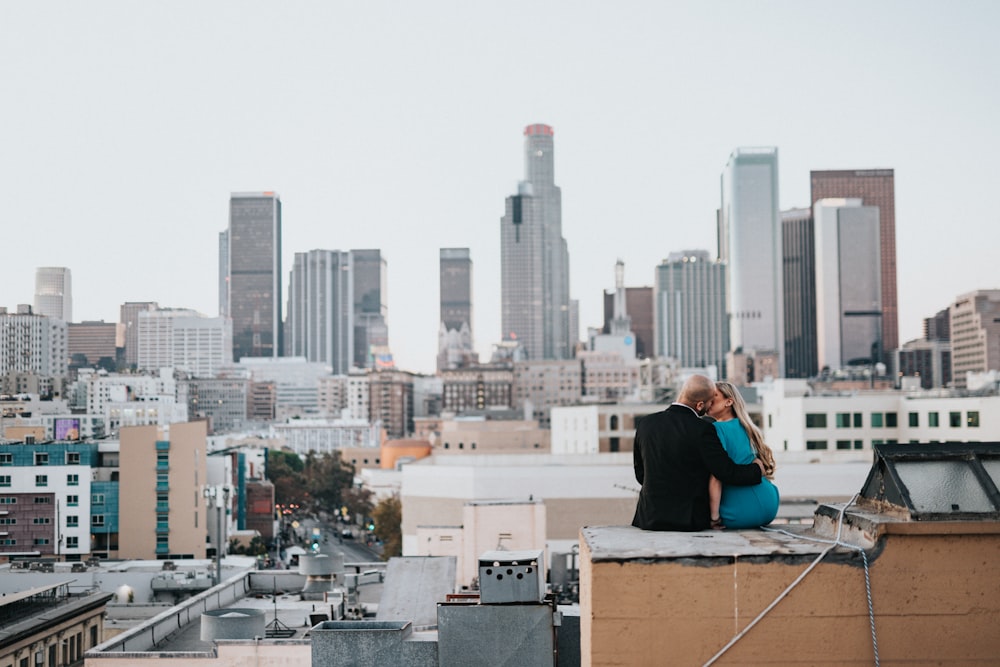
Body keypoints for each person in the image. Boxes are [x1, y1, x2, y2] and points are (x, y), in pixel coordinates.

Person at [632, 375, 764, 531]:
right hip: (689, 520)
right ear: (700, 405)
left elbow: (641, 474)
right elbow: (726, 472)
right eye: (709, 403)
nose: (709, 408)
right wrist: (757, 469)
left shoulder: (646, 424)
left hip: (649, 519)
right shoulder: (703, 429)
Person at [706, 382, 780, 529]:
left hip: (741, 513)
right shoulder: (748, 427)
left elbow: (717, 476)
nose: (709, 401)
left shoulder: (716, 428)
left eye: (714, 396)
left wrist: (714, 518)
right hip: (771, 506)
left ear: (729, 402)